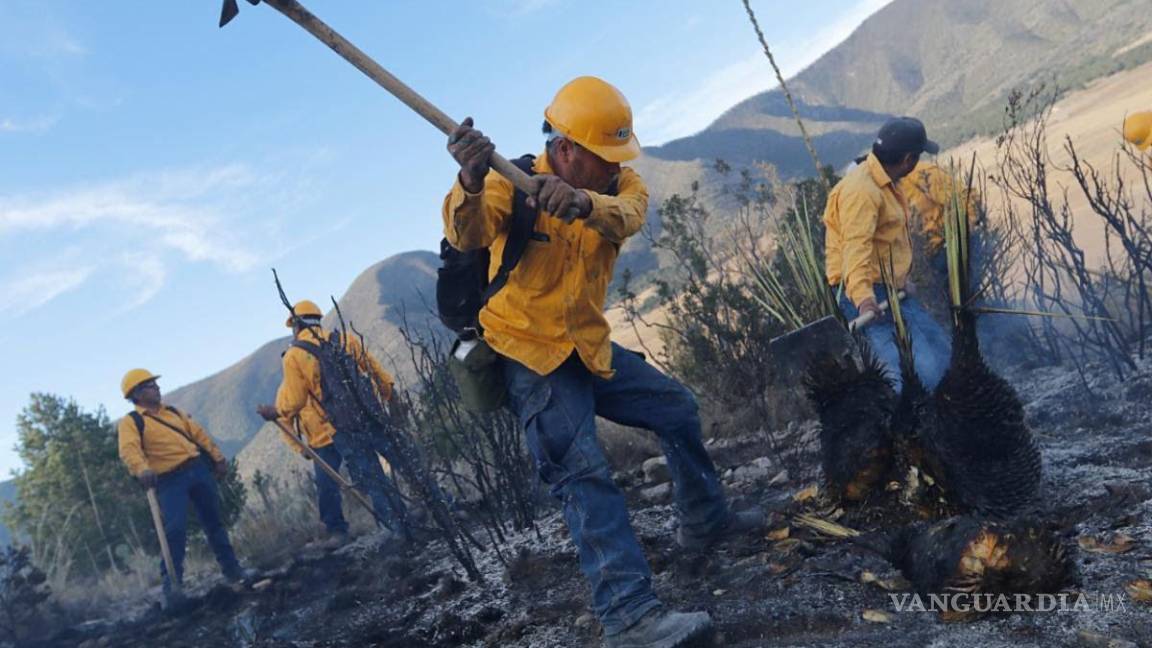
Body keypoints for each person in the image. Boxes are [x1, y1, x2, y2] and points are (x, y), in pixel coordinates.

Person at [442, 75, 761, 648]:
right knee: (582, 470)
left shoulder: (619, 183)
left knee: (676, 409)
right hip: (529, 352)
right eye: (601, 158)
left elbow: (629, 212)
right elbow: (468, 234)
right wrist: (469, 177)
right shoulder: (503, 183)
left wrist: (585, 201)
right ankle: (630, 619)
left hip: (586, 344)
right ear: (564, 150)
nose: (615, 167)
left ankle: (706, 522)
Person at [256, 299, 407, 543]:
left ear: (296, 324)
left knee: (369, 478)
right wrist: (390, 395)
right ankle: (438, 506)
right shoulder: (344, 340)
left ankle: (394, 529)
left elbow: (289, 406)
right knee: (400, 463)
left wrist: (275, 413)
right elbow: (373, 367)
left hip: (337, 430)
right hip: (362, 418)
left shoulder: (294, 357)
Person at [823, 117, 952, 390]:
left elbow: (885, 241)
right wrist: (864, 300)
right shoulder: (862, 191)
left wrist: (898, 278)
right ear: (908, 159)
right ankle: (909, 427)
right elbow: (855, 250)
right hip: (864, 293)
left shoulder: (886, 181)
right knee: (913, 368)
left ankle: (943, 416)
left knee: (940, 349)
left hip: (890, 288)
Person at [117, 369, 251, 600]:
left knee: (214, 523)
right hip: (169, 480)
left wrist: (217, 458)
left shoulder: (174, 412)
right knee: (175, 531)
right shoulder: (132, 422)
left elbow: (199, 435)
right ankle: (173, 588)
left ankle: (233, 571)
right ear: (137, 393)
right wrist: (142, 469)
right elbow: (129, 450)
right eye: (150, 385)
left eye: (155, 384)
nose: (157, 388)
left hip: (197, 469)